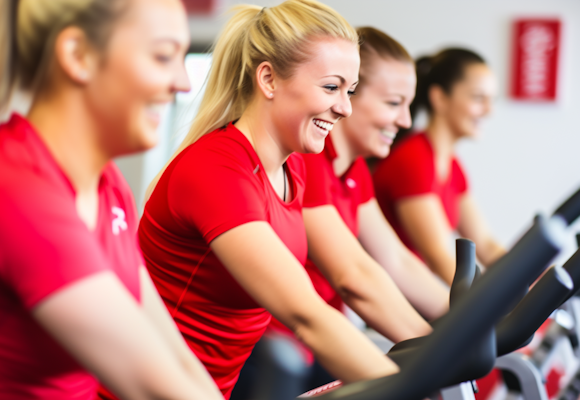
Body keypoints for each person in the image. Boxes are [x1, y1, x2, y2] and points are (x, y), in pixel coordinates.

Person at [139, 1, 400, 398]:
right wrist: (410, 388)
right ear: (269, 79)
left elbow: (358, 272)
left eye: (350, 91)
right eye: (331, 87)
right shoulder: (218, 170)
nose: (344, 108)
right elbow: (305, 315)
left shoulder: (292, 170)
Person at [0, 1, 223, 399]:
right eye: (164, 56)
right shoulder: (14, 192)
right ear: (79, 56)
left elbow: (172, 356)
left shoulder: (109, 187)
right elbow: (153, 389)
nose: (183, 81)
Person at [230, 26, 451, 400]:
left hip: (314, 345)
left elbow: (395, 260)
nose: (405, 121)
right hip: (275, 352)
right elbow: (353, 277)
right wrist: (441, 347)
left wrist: (468, 321)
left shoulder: (354, 170)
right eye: (393, 103)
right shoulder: (307, 163)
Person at [373, 48, 507, 285]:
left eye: (491, 100)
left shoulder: (452, 166)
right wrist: (495, 304)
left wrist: (533, 280)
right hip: (398, 301)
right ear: (440, 98)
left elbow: (485, 244)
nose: (489, 110)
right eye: (478, 98)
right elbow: (440, 258)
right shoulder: (413, 159)